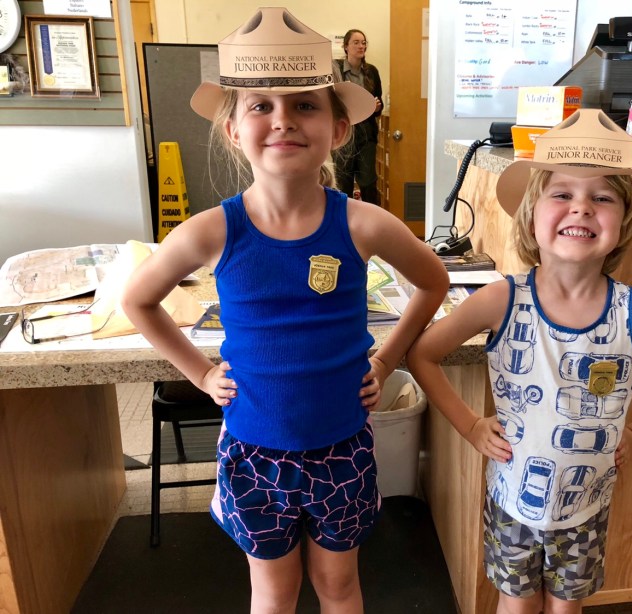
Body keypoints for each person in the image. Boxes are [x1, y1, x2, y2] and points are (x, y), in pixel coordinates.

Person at [121, 8, 449, 613]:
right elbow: (138, 301)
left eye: (304, 104)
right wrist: (201, 374)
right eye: (261, 106)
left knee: (340, 587)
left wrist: (386, 360)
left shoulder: (362, 223)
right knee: (272, 593)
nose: (282, 119)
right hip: (253, 451)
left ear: (339, 129)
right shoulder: (211, 230)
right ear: (233, 130)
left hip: (342, 447)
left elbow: (433, 281)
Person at [407, 109, 632, 614]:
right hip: (512, 500)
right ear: (532, 214)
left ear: (624, 220)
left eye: (603, 197)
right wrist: (469, 425)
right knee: (516, 604)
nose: (582, 208)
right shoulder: (501, 300)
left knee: (566, 607)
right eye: (562, 194)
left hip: (586, 507)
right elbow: (423, 353)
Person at [332, 29, 383, 205]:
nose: (361, 46)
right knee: (343, 182)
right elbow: (329, 99)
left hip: (366, 134)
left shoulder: (372, 71)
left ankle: (373, 219)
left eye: (363, 42)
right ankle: (343, 218)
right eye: (356, 42)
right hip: (343, 132)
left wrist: (377, 107)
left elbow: (379, 102)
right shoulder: (335, 68)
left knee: (368, 182)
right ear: (346, 46)